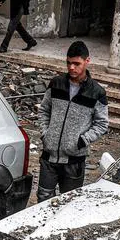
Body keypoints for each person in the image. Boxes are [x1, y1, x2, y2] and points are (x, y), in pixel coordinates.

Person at [36, 41, 109, 202]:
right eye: (69, 63)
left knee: (68, 202)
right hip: (49, 156)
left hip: (74, 161)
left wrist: (82, 141)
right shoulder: (56, 83)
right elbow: (44, 110)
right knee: (43, 199)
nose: (71, 68)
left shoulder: (96, 92)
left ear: (87, 61)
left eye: (76, 64)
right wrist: (45, 134)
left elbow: (102, 124)